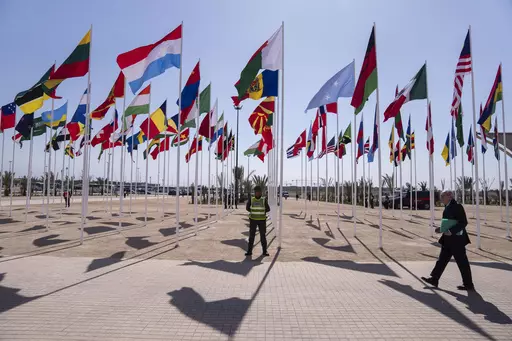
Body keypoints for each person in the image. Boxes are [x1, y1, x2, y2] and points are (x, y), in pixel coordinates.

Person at [421, 190, 474, 291]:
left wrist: (451, 231)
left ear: (449, 196)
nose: (441, 199)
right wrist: (440, 229)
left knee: (462, 262)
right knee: (441, 260)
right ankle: (434, 279)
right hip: (447, 239)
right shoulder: (447, 207)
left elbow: (463, 222)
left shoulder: (457, 206)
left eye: (442, 196)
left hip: (457, 240)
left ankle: (468, 284)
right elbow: (448, 222)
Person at [245, 185, 270, 257]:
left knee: (263, 236)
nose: (258, 193)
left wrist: (262, 212)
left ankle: (265, 251)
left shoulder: (263, 199)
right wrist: (253, 211)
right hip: (253, 220)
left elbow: (268, 209)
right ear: (255, 192)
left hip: (262, 220)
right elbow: (247, 208)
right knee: (251, 236)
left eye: (259, 192)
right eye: (257, 192)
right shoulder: (251, 199)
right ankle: (249, 252)